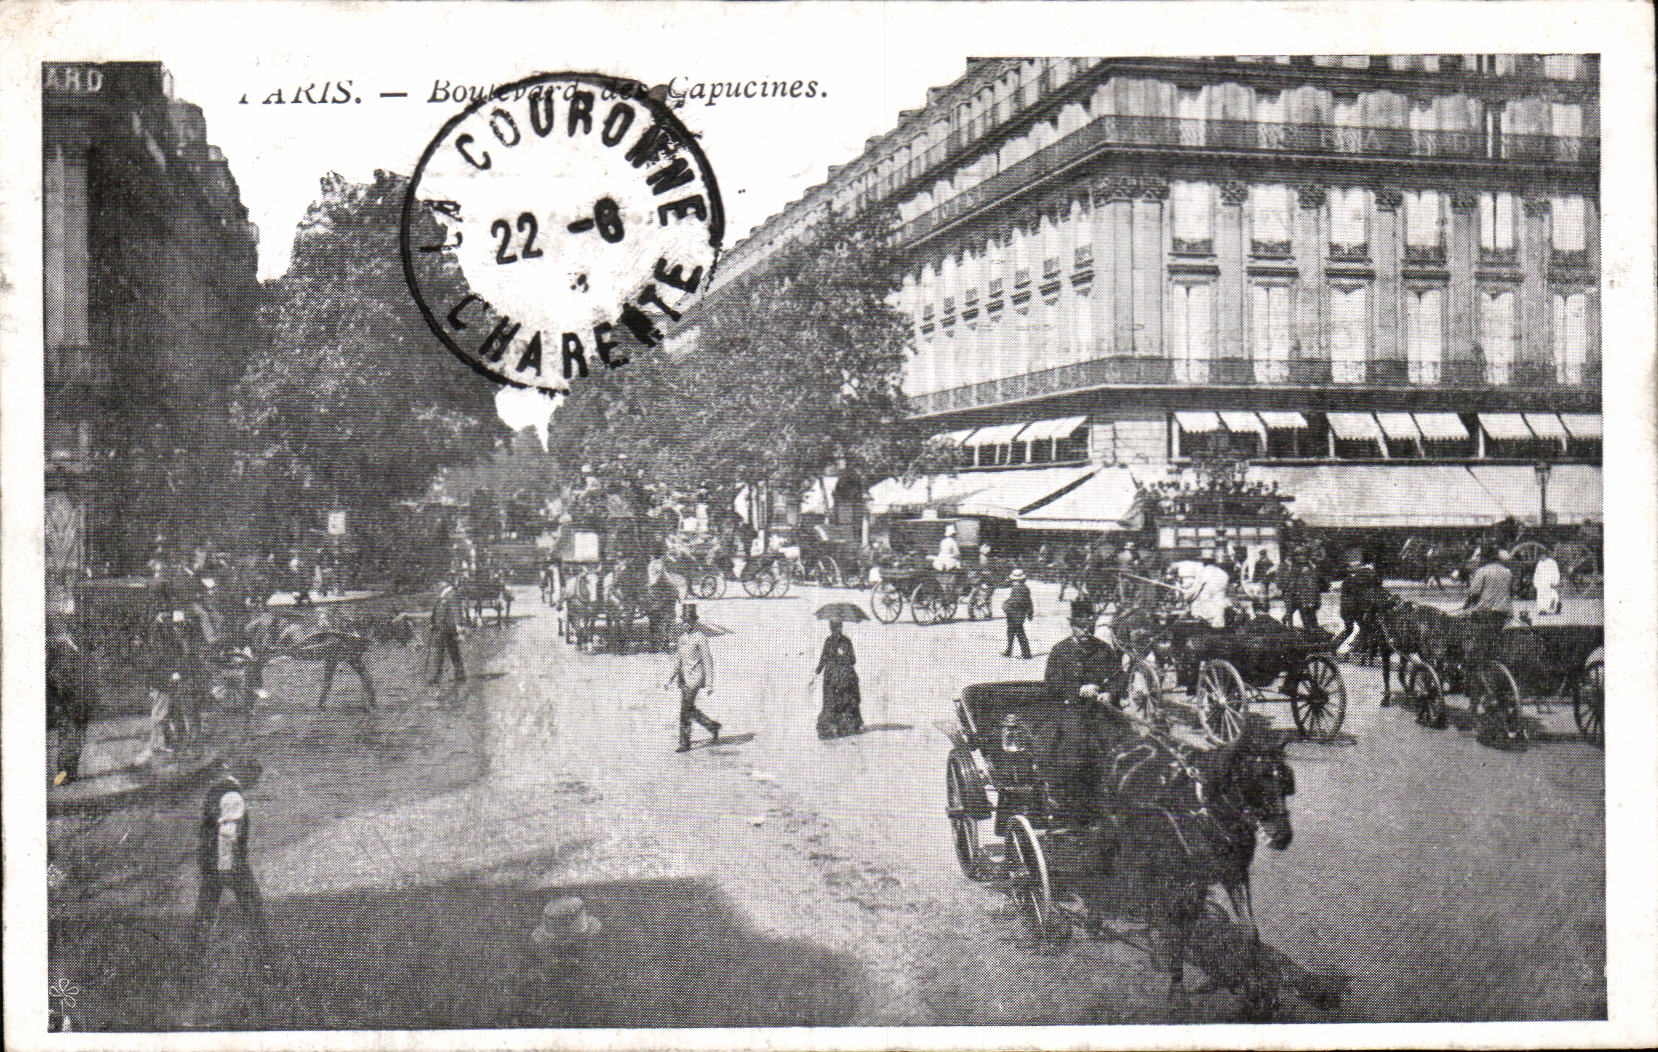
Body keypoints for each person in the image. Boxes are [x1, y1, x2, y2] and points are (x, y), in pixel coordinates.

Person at [1040, 600, 1132, 826]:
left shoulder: (1104, 650)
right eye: (1079, 627)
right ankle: (1074, 803)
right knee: (1075, 749)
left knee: (1122, 744)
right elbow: (1051, 684)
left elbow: (1119, 677)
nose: (1084, 632)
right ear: (1072, 626)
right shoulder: (1060, 651)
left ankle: (1119, 798)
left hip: (1101, 709)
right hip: (1071, 708)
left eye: (1088, 627)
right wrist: (1078, 690)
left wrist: (1110, 693)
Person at [192, 767, 277, 964]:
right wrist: (228, 868)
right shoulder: (234, 797)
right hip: (228, 863)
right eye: (255, 781)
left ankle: (196, 950)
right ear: (248, 779)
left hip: (209, 860)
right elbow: (227, 833)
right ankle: (266, 948)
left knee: (206, 906)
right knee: (253, 904)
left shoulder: (215, 790)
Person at [665, 604, 721, 752]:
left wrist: (709, 684)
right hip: (683, 679)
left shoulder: (700, 637)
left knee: (685, 710)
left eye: (689, 621)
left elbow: (708, 660)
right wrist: (669, 679)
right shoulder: (682, 638)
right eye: (684, 621)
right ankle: (712, 726)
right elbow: (678, 661)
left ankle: (685, 742)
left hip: (695, 679)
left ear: (694, 622)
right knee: (689, 709)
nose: (686, 624)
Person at [48, 625, 95, 785]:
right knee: (68, 739)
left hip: (79, 704)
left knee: (78, 739)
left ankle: (71, 772)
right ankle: (62, 775)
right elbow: (57, 680)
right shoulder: (63, 652)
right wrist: (65, 702)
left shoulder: (78, 651)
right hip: (67, 705)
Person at [814, 619, 863, 738]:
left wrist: (843, 655)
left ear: (840, 628)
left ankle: (846, 725)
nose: (835, 630)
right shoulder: (829, 641)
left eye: (836, 627)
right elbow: (823, 657)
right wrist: (818, 669)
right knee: (831, 701)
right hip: (834, 677)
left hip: (842, 677)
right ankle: (832, 726)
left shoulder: (845, 642)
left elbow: (852, 660)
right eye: (833, 628)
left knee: (844, 700)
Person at [1336, 550, 1384, 660]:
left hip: (1353, 609)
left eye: (1358, 565)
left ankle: (1357, 648)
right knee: (1358, 628)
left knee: (1362, 628)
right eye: (1354, 566)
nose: (1357, 568)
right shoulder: (1350, 580)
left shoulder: (1354, 578)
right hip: (1350, 610)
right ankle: (1356, 648)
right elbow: (1354, 597)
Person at [428, 579, 466, 685]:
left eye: (438, 583)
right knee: (453, 652)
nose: (436, 586)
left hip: (446, 628)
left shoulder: (452, 594)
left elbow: (456, 611)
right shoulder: (444, 594)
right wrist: (433, 621)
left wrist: (459, 627)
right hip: (442, 627)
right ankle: (460, 674)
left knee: (439, 652)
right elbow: (437, 610)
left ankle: (436, 677)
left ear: (444, 584)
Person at [1182, 551, 1233, 629]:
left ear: (1204, 562)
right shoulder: (1223, 574)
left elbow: (1193, 592)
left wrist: (1186, 595)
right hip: (1220, 612)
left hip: (1205, 613)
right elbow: (1228, 593)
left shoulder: (1203, 573)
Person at [1282, 550, 1325, 633]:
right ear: (1296, 557)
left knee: (1312, 616)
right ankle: (1306, 631)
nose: (1301, 557)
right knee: (1303, 615)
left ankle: (1313, 631)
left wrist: (1316, 598)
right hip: (1299, 597)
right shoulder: (1294, 568)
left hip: (1310, 596)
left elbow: (1317, 582)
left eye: (1303, 555)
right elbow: (1290, 583)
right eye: (1299, 556)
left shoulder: (1312, 567)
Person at [645, 560, 680, 651]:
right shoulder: (652, 566)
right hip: (656, 600)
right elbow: (651, 585)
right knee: (654, 622)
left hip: (667, 599)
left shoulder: (666, 578)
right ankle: (654, 644)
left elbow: (673, 590)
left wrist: (663, 601)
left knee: (666, 621)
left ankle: (665, 642)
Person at [1002, 568, 1034, 659]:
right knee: (1012, 632)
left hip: (1015, 614)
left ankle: (1026, 653)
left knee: (1018, 633)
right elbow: (1029, 602)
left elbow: (1015, 602)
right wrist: (1030, 613)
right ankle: (1010, 650)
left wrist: (1005, 605)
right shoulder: (1025, 588)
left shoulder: (1017, 589)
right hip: (1020, 614)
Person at [1533, 551, 1562, 616]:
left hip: (1549, 583)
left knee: (1551, 596)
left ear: (1545, 555)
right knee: (1541, 597)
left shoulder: (1552, 562)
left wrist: (1555, 582)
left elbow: (1556, 573)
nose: (1540, 557)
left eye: (1541, 556)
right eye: (1539, 556)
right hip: (1541, 583)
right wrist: (1535, 582)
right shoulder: (1539, 563)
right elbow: (1536, 574)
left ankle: (1555, 607)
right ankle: (1542, 610)